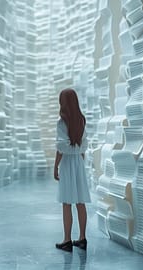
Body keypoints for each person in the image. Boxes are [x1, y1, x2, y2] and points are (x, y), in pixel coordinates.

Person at [53, 88, 91, 252]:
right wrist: (79, 157)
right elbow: (83, 146)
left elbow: (61, 147)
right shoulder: (81, 120)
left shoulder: (62, 122)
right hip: (79, 162)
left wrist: (56, 167)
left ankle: (67, 240)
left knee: (67, 203)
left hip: (68, 163)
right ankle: (82, 238)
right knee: (81, 202)